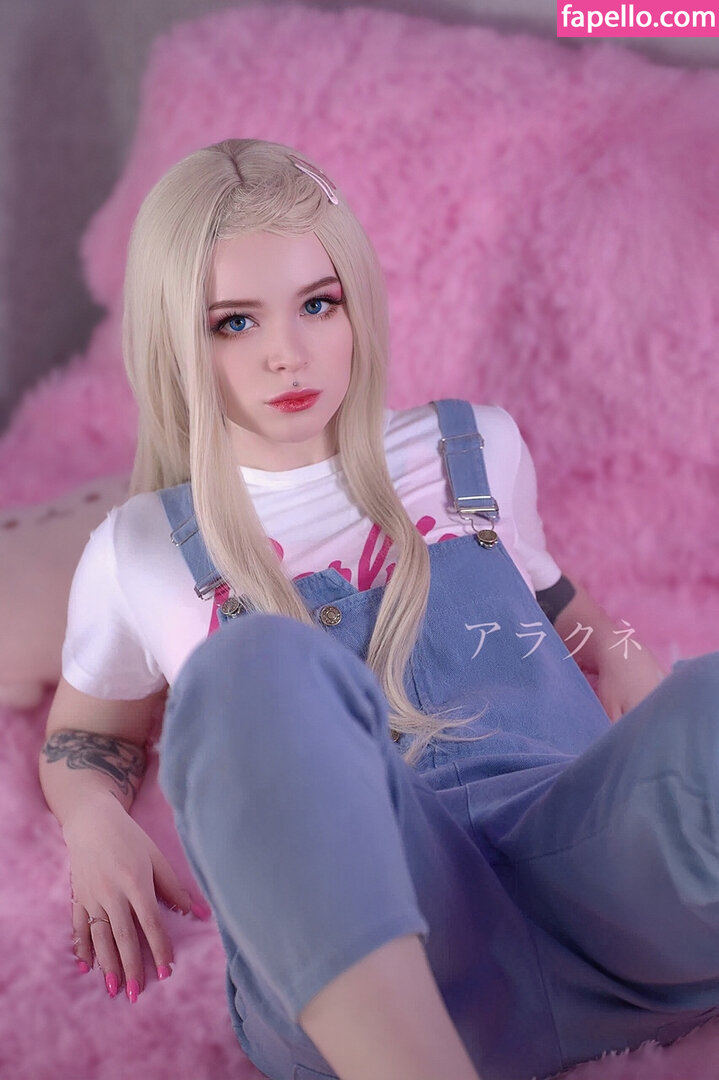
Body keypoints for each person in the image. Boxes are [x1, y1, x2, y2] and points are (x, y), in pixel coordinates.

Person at [39, 139, 719, 1080]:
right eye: (233, 322)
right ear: (173, 340)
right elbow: (88, 732)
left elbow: (554, 600)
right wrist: (92, 822)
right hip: (367, 954)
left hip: (591, 891)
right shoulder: (140, 549)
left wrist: (626, 654)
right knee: (251, 667)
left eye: (318, 304)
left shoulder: (473, 447)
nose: (287, 352)